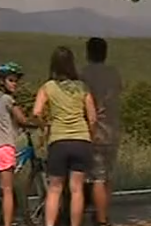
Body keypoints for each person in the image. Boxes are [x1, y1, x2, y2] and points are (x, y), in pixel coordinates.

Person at [33, 47, 98, 226]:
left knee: (55, 189)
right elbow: (92, 118)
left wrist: (45, 126)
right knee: (77, 189)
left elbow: (36, 112)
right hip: (81, 141)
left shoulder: (47, 87)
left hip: (58, 141)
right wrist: (90, 137)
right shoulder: (82, 87)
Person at [0, 62, 40, 226]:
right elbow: (22, 119)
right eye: (11, 80)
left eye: (15, 81)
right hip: (4, 147)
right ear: (2, 81)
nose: (14, 83)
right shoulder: (9, 100)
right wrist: (39, 124)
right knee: (7, 190)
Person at [79, 37, 122, 226]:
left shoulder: (83, 75)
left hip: (94, 131)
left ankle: (100, 218)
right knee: (108, 176)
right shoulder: (114, 73)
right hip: (112, 130)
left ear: (88, 53)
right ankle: (105, 212)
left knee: (97, 177)